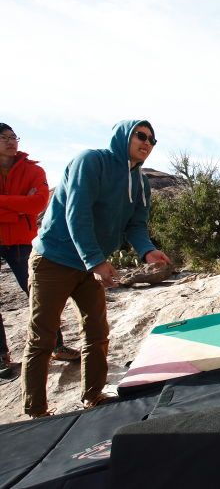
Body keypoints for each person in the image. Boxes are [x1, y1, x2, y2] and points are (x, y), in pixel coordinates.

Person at [21, 120, 171, 417]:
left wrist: (147, 250)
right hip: (54, 259)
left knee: (97, 332)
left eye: (153, 140)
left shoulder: (140, 182)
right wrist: (96, 262)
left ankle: (93, 396)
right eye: (140, 136)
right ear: (123, 136)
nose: (147, 143)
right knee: (43, 338)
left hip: (90, 266)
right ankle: (36, 412)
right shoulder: (91, 161)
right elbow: (77, 214)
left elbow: (136, 225)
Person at [0, 124, 80, 380]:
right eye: (5, 138)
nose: (12, 142)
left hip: (23, 241)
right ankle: (2, 356)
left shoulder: (33, 170)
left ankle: (56, 346)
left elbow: (37, 203)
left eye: (14, 137)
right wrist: (18, 205)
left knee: (40, 295)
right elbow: (26, 203)